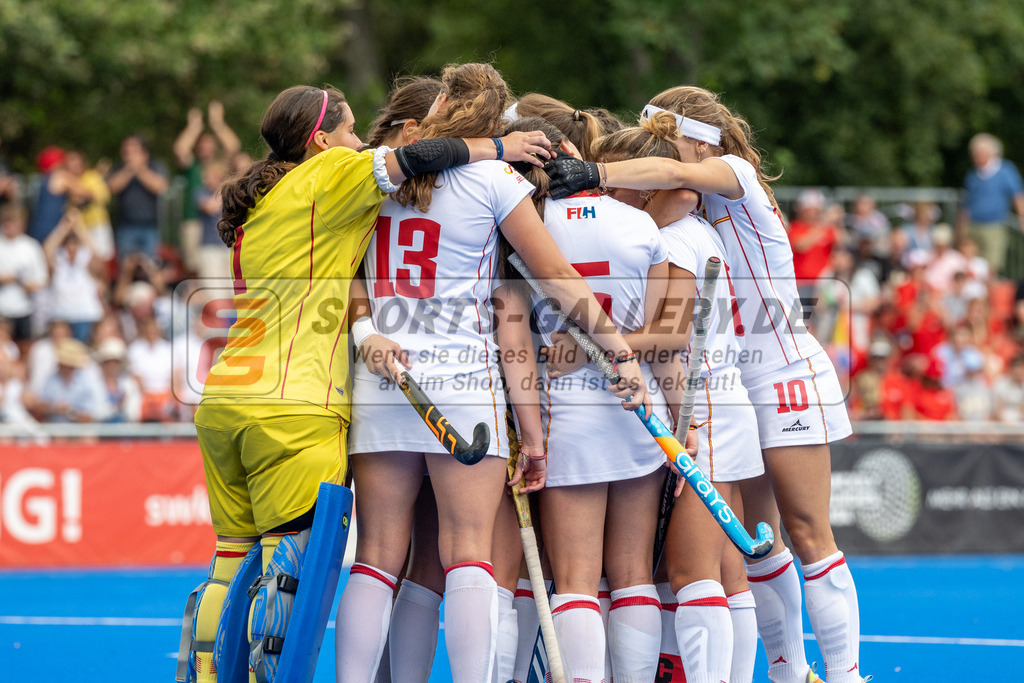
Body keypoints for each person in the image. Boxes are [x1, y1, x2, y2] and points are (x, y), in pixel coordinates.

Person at [182, 80, 556, 683]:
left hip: (225, 395)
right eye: (350, 131)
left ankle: (202, 674)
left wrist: (362, 331)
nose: (359, 143)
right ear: (320, 139)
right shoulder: (331, 176)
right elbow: (420, 158)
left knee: (230, 566)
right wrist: (501, 145)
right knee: (289, 576)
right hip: (294, 403)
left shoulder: (261, 197)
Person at [336, 64, 651, 683]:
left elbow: (343, 269)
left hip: (382, 374)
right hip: (461, 382)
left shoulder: (377, 169)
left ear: (442, 104)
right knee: (467, 554)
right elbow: (558, 281)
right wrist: (619, 351)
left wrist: (365, 328)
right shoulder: (494, 179)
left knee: (375, 558)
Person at [545, 85, 864, 683]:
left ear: (697, 141)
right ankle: (792, 671)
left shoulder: (725, 177)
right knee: (755, 546)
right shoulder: (685, 208)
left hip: (777, 370)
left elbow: (669, 178)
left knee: (796, 534)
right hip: (733, 378)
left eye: (668, 140)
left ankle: (843, 674)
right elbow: (670, 184)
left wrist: (592, 172)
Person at [502, 116, 671, 683]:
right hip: (638, 408)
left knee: (575, 578)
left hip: (566, 413)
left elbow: (514, 341)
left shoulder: (524, 230)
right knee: (631, 574)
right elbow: (669, 331)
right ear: (575, 152)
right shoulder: (642, 225)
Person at [173, 102, 242, 274]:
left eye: (209, 143)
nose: (206, 147)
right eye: (202, 144)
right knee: (194, 267)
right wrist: (194, 128)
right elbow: (180, 149)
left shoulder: (220, 165)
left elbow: (233, 147)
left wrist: (218, 124)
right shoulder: (193, 166)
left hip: (216, 224)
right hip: (193, 220)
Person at [956, 133, 1024, 277]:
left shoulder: (1005, 170)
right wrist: (961, 229)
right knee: (970, 267)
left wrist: (1022, 217)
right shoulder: (973, 175)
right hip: (973, 226)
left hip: (994, 225)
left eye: (977, 152)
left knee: (991, 266)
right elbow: (966, 205)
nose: (974, 156)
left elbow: (1017, 196)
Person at [42, 208, 105, 344]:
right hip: (61, 316)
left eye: (75, 245)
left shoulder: (85, 262)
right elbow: (48, 249)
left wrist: (78, 225)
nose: (72, 248)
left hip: (84, 315)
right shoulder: (59, 262)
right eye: (68, 245)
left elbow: (96, 253)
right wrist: (64, 226)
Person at [106, 134, 169, 261]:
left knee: (151, 266)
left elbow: (160, 187)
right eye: (126, 152)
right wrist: (129, 169)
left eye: (134, 151)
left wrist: (140, 169)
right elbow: (112, 188)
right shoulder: (119, 168)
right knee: (126, 267)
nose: (129, 155)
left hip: (150, 226)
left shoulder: (155, 166)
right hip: (125, 226)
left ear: (145, 153)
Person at [24, 337, 106, 423]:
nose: (59, 365)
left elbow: (89, 417)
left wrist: (70, 412)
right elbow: (39, 406)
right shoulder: (51, 378)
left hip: (78, 429)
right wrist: (54, 408)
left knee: (87, 436)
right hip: (55, 428)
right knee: (59, 435)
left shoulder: (85, 382)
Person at [0, 203, 48, 344]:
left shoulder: (31, 247)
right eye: (7, 221)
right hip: (2, 309)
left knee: (25, 346)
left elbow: (42, 280)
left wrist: (27, 285)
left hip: (24, 308)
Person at [94, 336, 142, 423]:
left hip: (126, 431)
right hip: (100, 431)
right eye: (107, 362)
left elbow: (134, 414)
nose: (111, 365)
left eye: (115, 362)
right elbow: (95, 413)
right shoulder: (94, 384)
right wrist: (117, 407)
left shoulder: (129, 384)